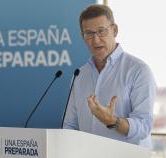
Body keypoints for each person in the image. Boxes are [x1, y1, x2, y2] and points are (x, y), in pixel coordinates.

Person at [63, 4, 156, 148]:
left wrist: (111, 121)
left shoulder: (138, 71)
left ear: (115, 30)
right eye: (89, 33)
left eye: (101, 31)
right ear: (83, 37)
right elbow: (70, 126)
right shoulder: (79, 75)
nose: (96, 40)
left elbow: (143, 127)